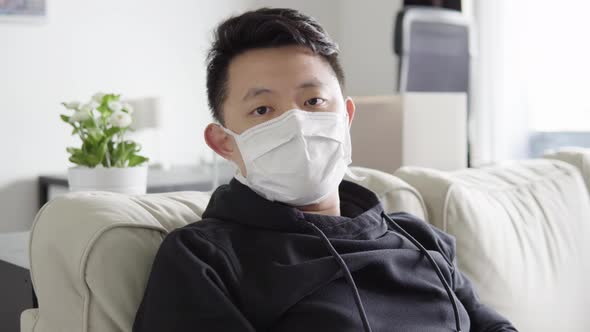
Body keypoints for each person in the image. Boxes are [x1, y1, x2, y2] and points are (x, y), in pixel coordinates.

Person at [133, 8, 517, 332]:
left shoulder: (418, 236)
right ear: (224, 142)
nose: (297, 123)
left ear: (345, 116)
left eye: (314, 100)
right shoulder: (207, 257)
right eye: (263, 110)